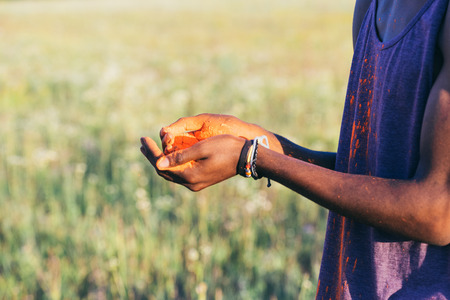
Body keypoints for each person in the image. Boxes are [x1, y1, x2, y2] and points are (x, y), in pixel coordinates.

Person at [140, 0, 450, 298]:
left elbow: (438, 212)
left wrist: (251, 157)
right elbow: (367, 175)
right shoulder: (371, 5)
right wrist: (259, 141)